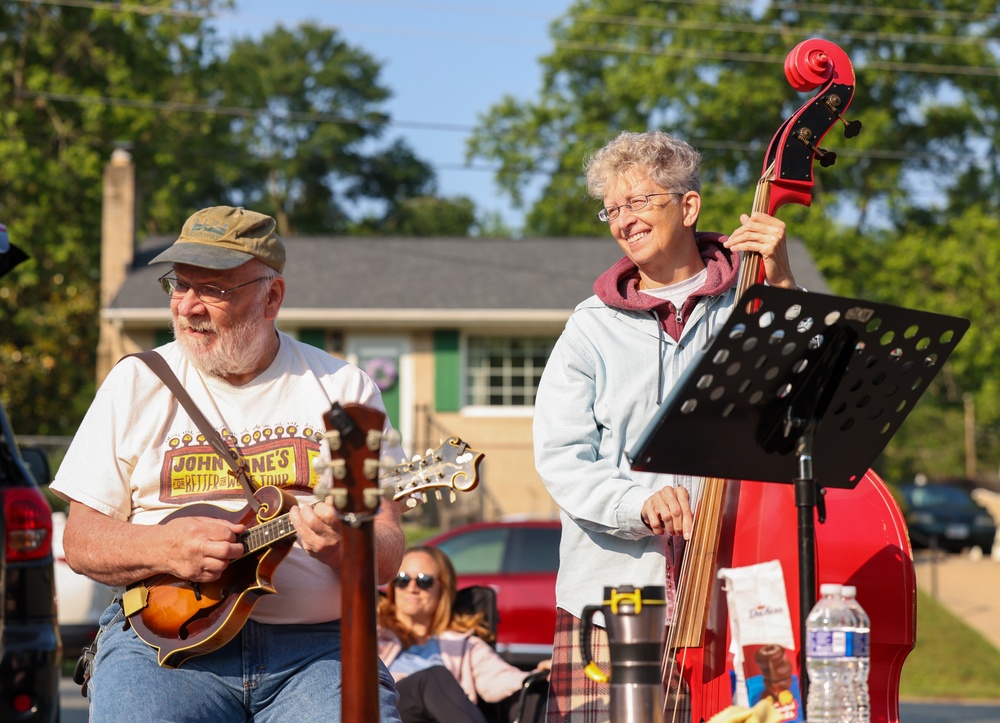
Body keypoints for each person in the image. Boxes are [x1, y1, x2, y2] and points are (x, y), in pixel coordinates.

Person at [50, 205, 407, 722]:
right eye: (179, 284)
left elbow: (389, 550)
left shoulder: (343, 389)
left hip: (316, 654)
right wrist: (165, 547)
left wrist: (345, 545)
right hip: (160, 650)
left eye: (214, 290)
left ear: (272, 297)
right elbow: (80, 541)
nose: (189, 307)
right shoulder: (136, 382)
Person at [532, 130, 799, 721]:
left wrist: (781, 289)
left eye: (639, 202)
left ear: (689, 206)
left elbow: (800, 406)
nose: (623, 220)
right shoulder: (588, 328)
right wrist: (639, 504)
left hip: (740, 595)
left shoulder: (749, 302)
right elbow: (561, 457)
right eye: (613, 208)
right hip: (612, 600)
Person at [377, 546, 551, 723]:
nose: (411, 588)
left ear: (442, 589)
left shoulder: (463, 645)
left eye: (424, 581)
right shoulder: (372, 636)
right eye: (402, 580)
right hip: (388, 711)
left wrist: (539, 675)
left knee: (538, 695)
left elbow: (497, 678)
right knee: (432, 678)